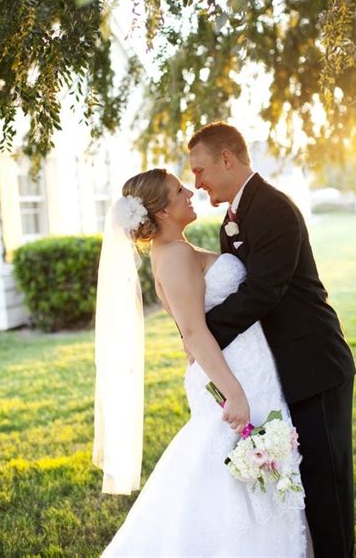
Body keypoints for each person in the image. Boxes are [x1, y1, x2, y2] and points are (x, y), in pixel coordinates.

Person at [94, 167, 314, 557]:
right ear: (161, 212)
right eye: (179, 191)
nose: (190, 193)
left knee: (261, 472)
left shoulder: (178, 250)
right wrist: (234, 394)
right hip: (232, 377)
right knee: (230, 481)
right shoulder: (175, 256)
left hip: (248, 368)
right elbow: (193, 333)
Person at [188, 122, 356, 558]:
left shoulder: (274, 209)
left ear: (228, 159)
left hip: (314, 363)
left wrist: (203, 336)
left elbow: (263, 291)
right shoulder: (231, 222)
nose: (197, 182)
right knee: (302, 480)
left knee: (327, 482)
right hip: (277, 368)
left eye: (200, 170)